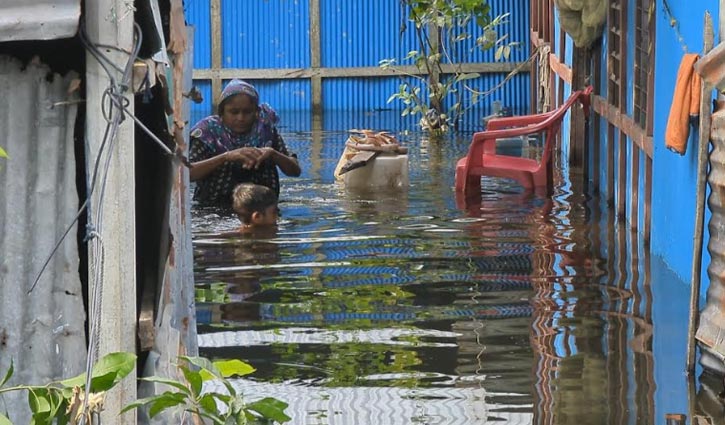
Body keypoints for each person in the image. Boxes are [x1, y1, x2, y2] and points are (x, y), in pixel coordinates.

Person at [189, 79, 301, 207]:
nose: (240, 118)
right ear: (221, 112)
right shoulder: (207, 132)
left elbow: (295, 171)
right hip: (213, 208)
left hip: (262, 209)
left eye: (247, 112)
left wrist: (273, 154)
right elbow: (186, 174)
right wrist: (226, 157)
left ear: (256, 112)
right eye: (234, 112)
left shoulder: (265, 128)